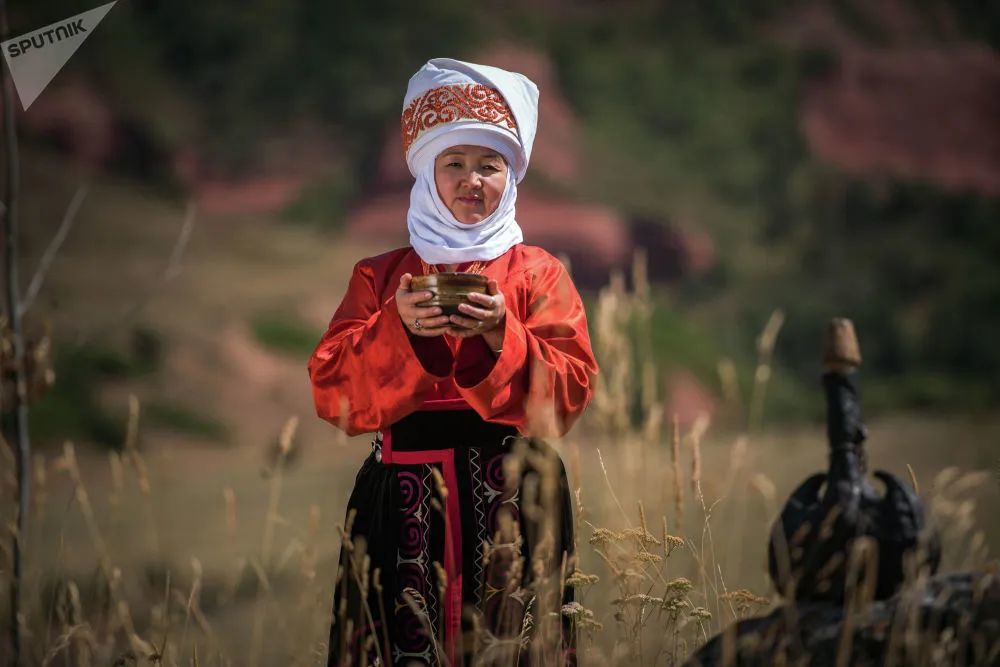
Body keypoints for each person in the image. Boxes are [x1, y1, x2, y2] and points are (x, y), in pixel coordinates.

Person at [308, 58, 598, 666]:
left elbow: (569, 394)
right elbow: (333, 393)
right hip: (401, 505)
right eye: (455, 164)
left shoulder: (538, 274)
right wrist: (398, 329)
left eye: (490, 165)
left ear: (511, 175)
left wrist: (502, 333)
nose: (473, 181)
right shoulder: (381, 277)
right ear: (427, 174)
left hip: (520, 502)